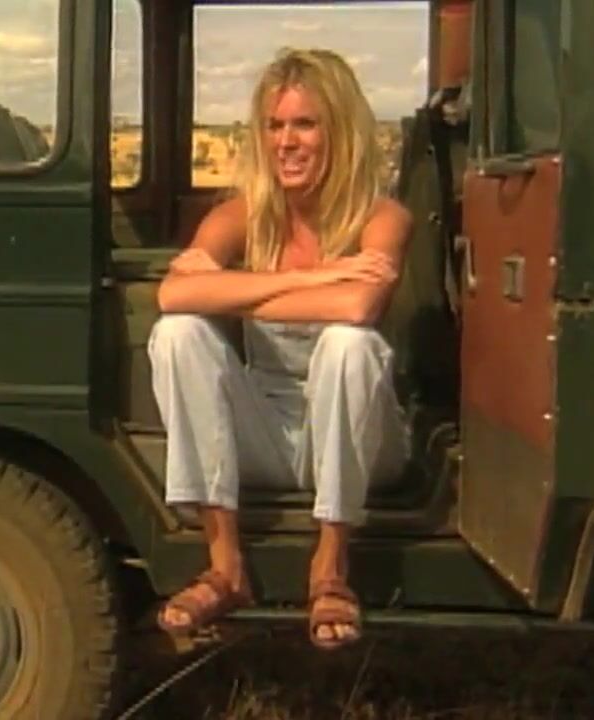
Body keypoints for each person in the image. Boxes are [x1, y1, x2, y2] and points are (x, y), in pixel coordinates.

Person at [149, 47, 411, 650]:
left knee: (349, 345)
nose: (286, 142)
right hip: (267, 429)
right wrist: (316, 277)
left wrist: (235, 291)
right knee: (178, 333)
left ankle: (330, 566)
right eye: (274, 125)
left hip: (359, 441)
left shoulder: (382, 217)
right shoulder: (243, 214)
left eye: (305, 124)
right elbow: (174, 294)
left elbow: (358, 307)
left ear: (339, 131)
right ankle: (225, 566)